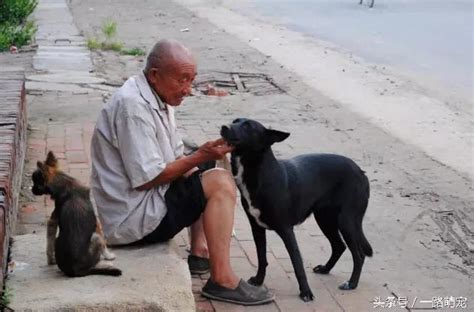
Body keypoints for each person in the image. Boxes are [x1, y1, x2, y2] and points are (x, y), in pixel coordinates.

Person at [90, 39, 274, 305]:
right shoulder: (133, 107)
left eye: (192, 79)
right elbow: (147, 180)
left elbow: (176, 156)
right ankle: (222, 280)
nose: (188, 89)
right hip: (131, 220)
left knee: (206, 166)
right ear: (155, 76)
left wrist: (202, 159)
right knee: (220, 182)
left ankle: (200, 254)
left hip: (146, 199)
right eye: (182, 80)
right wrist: (199, 159)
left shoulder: (159, 95)